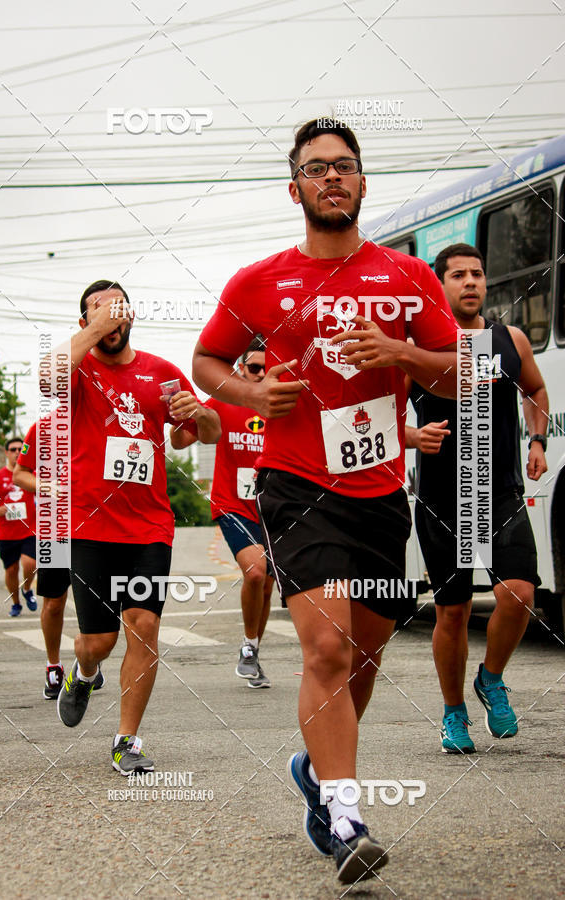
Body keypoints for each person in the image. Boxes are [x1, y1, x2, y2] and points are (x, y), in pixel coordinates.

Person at [192, 119, 459, 883]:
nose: (331, 178)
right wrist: (251, 391)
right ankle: (346, 816)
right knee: (328, 649)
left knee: (366, 654)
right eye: (316, 169)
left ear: (364, 183)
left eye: (345, 167)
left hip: (378, 491)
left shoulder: (408, 278)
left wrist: (402, 353)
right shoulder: (258, 282)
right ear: (295, 188)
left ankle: (315, 768)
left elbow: (457, 375)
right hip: (296, 484)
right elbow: (207, 360)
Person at [40, 279, 220, 775]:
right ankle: (84, 671)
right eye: (96, 311)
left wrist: (200, 414)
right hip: (90, 528)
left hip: (149, 528)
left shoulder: (160, 371)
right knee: (98, 641)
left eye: (116, 307)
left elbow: (194, 437)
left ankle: (127, 740)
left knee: (144, 627)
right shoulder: (77, 370)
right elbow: (45, 378)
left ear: (132, 315)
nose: (108, 316)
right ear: (85, 323)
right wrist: (93, 328)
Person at [405, 243, 548, 754]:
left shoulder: (508, 339)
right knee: (454, 612)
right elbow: (381, 413)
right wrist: (410, 437)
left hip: (500, 490)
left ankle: (490, 678)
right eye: (459, 275)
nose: (471, 282)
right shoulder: (417, 348)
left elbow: (534, 390)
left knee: (519, 594)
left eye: (478, 274)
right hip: (443, 500)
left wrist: (537, 440)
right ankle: (452, 712)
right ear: (439, 286)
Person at [173, 335, 274, 689]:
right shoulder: (223, 401)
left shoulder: (281, 403)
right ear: (239, 369)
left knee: (267, 584)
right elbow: (180, 440)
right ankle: (248, 646)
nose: (261, 374)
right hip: (233, 506)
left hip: (275, 509)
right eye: (254, 368)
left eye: (267, 367)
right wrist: (193, 413)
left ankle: (253, 648)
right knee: (256, 573)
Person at [13, 420, 104, 701]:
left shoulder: (101, 422)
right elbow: (20, 475)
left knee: (94, 600)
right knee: (54, 603)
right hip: (54, 530)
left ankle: (89, 661)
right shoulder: (43, 428)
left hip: (96, 528)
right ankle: (54, 666)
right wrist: (45, 486)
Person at [0, 437, 37, 616]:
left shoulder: (32, 474)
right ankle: (16, 602)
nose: (16, 452)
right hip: (6, 533)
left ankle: (27, 588)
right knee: (11, 570)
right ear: (6, 453)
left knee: (30, 563)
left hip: (29, 529)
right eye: (12, 449)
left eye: (20, 449)